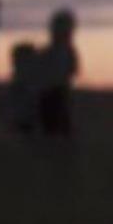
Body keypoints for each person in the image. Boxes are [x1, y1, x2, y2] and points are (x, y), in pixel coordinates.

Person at [37, 8, 79, 138]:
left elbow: (72, 70)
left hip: (60, 93)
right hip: (49, 95)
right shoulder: (50, 52)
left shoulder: (66, 51)